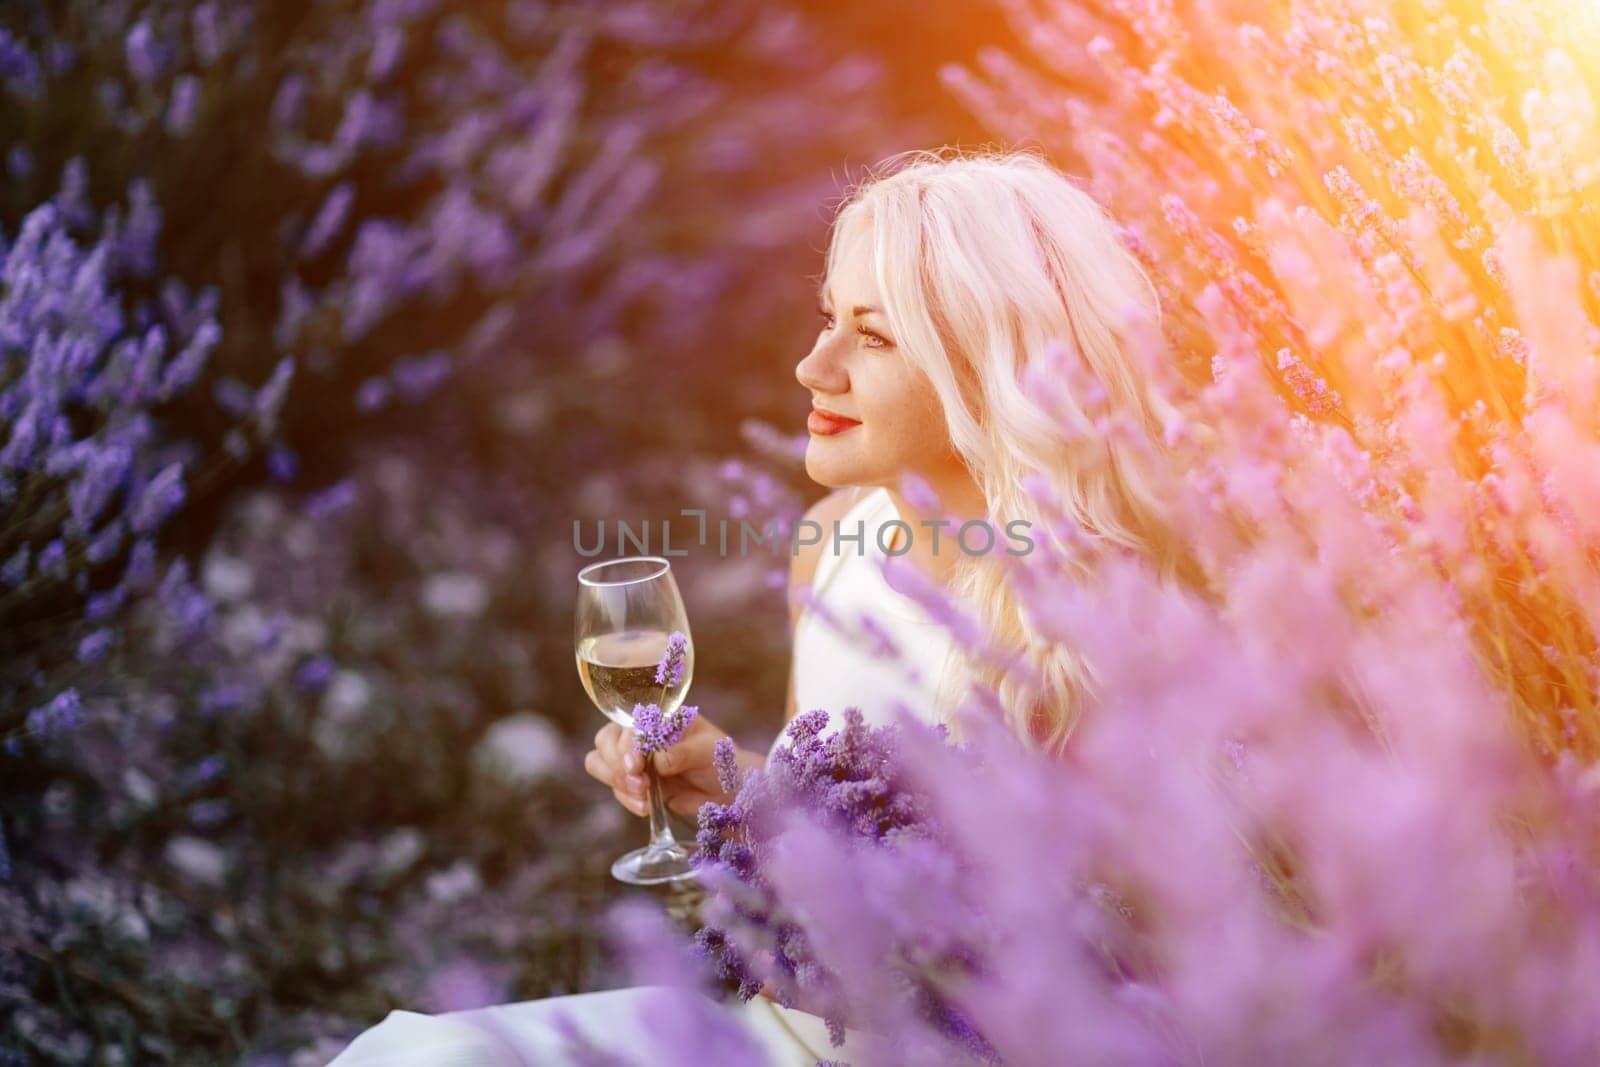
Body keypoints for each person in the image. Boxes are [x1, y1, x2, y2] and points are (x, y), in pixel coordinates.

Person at [326, 145, 1195, 1066]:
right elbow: (829, 816)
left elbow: (1099, 965)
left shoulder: (1089, 622)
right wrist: (727, 783)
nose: (813, 366)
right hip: (765, 1032)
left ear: (982, 371)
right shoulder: (830, 544)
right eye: (828, 318)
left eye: (874, 335)